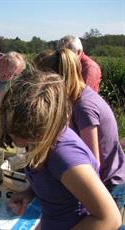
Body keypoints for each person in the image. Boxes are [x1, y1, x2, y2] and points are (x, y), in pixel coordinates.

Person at [0, 71, 122, 229]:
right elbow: (55, 181)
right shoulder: (38, 140)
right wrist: (28, 193)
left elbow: (109, 219)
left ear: (41, 123)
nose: (13, 134)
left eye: (20, 129)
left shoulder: (64, 155)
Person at [34, 48, 125, 215]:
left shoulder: (84, 107)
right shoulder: (75, 97)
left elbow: (93, 165)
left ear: (53, 80)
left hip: (109, 183)